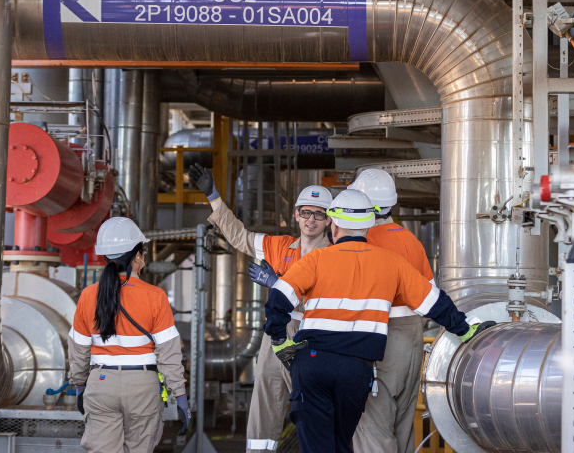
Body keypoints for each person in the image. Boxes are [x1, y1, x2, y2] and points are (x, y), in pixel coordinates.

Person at [263, 190, 496, 453]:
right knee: (342, 444)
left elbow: (278, 298)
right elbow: (435, 303)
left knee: (317, 445)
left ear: (334, 226)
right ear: (368, 226)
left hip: (313, 364)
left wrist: (279, 340)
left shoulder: (316, 259)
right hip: (356, 369)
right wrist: (465, 331)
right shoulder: (392, 263)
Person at [189, 162, 331, 453]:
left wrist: (278, 283)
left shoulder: (334, 256)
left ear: (328, 220)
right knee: (265, 399)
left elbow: (328, 302)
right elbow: (240, 236)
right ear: (296, 214)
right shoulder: (280, 247)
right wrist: (213, 196)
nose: (311, 220)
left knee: (310, 404)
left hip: (311, 335)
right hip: (275, 334)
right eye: (306, 212)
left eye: (319, 214)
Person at [67, 217, 191, 453]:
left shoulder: (88, 295)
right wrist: (180, 395)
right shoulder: (155, 296)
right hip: (142, 387)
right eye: (142, 252)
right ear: (136, 256)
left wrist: (80, 386)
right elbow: (169, 354)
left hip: (100, 384)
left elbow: (78, 349)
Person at [347, 169, 433, 453]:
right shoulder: (411, 240)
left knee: (372, 425)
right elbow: (430, 294)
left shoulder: (366, 241)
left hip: (381, 337)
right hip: (413, 337)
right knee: (402, 425)